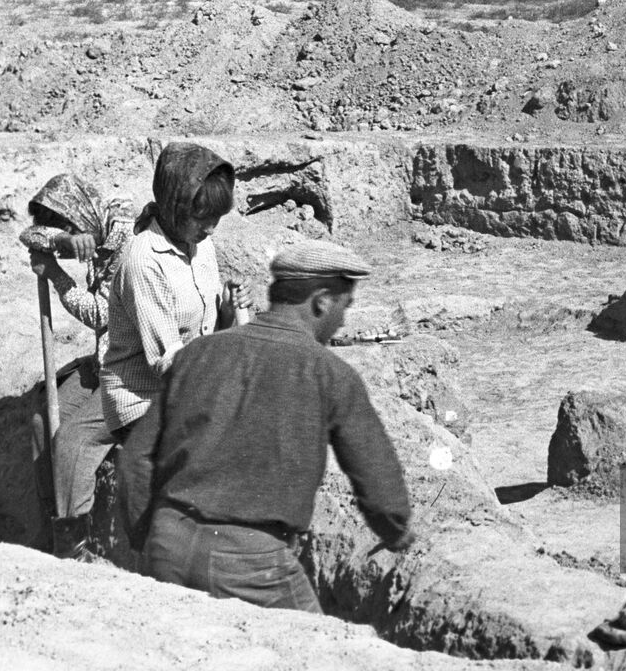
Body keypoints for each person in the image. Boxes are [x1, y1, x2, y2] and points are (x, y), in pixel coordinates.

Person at [119, 240, 414, 612]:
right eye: (344, 306)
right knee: (322, 651)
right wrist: (396, 528)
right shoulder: (331, 374)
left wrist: (149, 538)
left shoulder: (197, 353)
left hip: (167, 544)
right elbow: (374, 470)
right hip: (252, 564)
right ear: (321, 301)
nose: (343, 320)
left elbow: (135, 460)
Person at [101, 141, 250, 441]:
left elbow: (203, 335)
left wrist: (227, 311)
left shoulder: (201, 245)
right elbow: (169, 361)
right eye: (202, 219)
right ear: (174, 206)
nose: (210, 230)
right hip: (143, 404)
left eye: (216, 220)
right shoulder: (144, 260)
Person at [21, 174, 133, 558]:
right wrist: (61, 242)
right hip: (104, 359)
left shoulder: (127, 241)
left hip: (133, 371)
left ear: (79, 216)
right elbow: (29, 236)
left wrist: (55, 274)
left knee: (70, 441)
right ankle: (52, 526)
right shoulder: (95, 230)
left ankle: (73, 550)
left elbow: (104, 315)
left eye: (69, 233)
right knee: (41, 421)